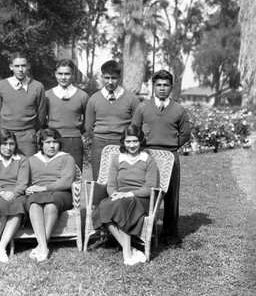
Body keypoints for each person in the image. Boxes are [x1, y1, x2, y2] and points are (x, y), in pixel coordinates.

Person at [131, 69, 191, 246]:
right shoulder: (143, 107)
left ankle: (169, 234)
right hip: (147, 154)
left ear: (171, 87)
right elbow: (134, 129)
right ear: (153, 87)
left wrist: (170, 147)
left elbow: (185, 134)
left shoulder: (179, 109)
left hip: (170, 155)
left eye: (166, 85)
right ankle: (140, 230)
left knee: (171, 195)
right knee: (144, 191)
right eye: (158, 85)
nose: (162, 88)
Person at [92, 125, 158, 266]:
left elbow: (150, 187)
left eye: (135, 141)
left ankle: (126, 254)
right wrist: (114, 194)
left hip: (140, 199)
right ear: (123, 142)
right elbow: (111, 184)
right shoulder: (118, 159)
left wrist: (129, 193)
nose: (131, 145)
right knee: (104, 206)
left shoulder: (148, 160)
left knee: (123, 204)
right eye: (128, 142)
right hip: (120, 197)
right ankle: (130, 249)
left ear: (141, 141)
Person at [25, 128, 76, 262]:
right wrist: (27, 190)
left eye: (55, 142)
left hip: (61, 193)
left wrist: (44, 188)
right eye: (47, 142)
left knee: (50, 206)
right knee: (34, 204)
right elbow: (25, 181)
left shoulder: (66, 158)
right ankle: (43, 246)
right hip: (37, 193)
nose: (52, 146)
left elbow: (66, 181)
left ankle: (41, 245)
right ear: (41, 144)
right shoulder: (32, 160)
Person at [85, 60, 140, 180]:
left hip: (122, 143)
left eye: (114, 78)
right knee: (99, 179)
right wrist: (100, 137)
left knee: (121, 178)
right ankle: (98, 200)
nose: (110, 82)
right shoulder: (94, 99)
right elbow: (88, 126)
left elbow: (136, 126)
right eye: (107, 78)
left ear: (119, 77)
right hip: (99, 144)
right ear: (102, 77)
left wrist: (126, 141)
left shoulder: (132, 99)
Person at [0, 129, 29, 263]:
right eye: (4, 144)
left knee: (18, 205)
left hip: (16, 193)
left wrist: (13, 194)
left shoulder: (22, 160)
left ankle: (2, 248)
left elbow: (23, 182)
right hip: (0, 194)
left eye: (11, 144)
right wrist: (2, 193)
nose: (8, 148)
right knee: (2, 205)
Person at [0, 52, 46, 158]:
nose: (20, 69)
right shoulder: (2, 85)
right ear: (11, 67)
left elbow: (41, 116)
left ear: (28, 66)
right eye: (17, 66)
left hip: (27, 137)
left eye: (23, 65)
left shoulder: (37, 86)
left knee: (28, 168)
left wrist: (29, 132)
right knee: (6, 169)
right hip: (7, 135)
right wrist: (4, 131)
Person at [45, 59, 89, 171]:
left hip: (73, 141)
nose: (63, 77)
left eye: (67, 74)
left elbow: (88, 121)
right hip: (52, 140)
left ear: (73, 75)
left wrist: (74, 131)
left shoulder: (82, 96)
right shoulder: (47, 95)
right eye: (60, 73)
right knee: (52, 173)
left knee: (74, 173)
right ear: (55, 74)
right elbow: (41, 118)